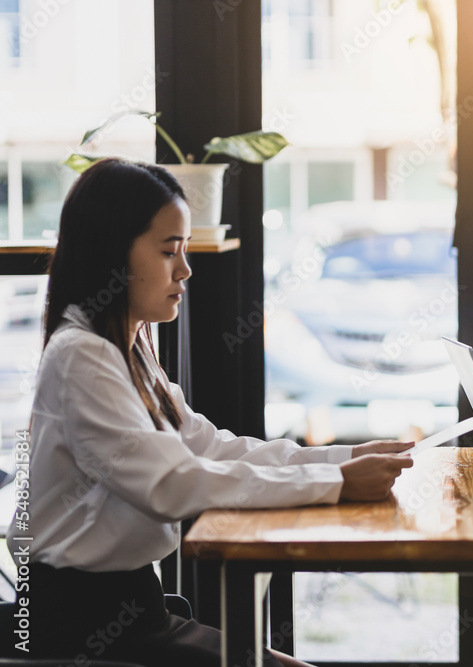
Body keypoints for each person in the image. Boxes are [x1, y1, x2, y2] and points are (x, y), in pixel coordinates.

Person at [6, 158, 414, 667]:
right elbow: (172, 485)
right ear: (113, 254)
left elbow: (212, 446)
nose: (185, 270)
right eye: (168, 251)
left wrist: (342, 458)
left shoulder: (128, 353)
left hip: (131, 615)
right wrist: (336, 484)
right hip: (83, 632)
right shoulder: (81, 356)